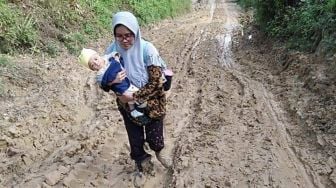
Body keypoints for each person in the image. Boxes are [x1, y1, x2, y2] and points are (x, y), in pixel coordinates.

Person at [105, 11, 172, 182]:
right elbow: (103, 81)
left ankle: (159, 152)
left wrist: (133, 96)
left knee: (154, 136)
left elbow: (156, 83)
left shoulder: (147, 50)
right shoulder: (111, 52)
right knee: (135, 138)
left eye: (128, 35)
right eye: (119, 36)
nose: (124, 40)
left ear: (135, 32)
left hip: (153, 102)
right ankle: (142, 163)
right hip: (126, 105)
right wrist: (111, 83)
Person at [78, 48, 146, 119]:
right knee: (135, 94)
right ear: (93, 69)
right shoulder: (100, 75)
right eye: (92, 65)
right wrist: (114, 81)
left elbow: (115, 53)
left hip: (128, 77)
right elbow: (104, 85)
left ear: (98, 55)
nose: (96, 63)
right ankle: (136, 108)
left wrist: (116, 59)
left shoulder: (107, 57)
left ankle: (136, 108)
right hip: (121, 87)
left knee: (133, 96)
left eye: (96, 59)